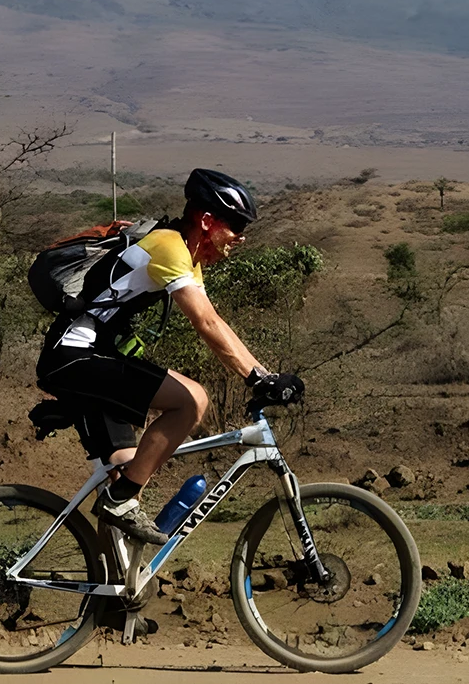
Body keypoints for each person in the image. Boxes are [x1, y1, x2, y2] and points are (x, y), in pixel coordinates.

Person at [35, 167, 304, 544]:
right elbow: (207, 323)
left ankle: (116, 588)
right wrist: (259, 377)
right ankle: (119, 501)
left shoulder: (187, 258)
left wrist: (262, 372)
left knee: (128, 473)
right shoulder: (168, 246)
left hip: (92, 358)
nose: (240, 239)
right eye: (236, 227)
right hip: (74, 355)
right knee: (192, 400)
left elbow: (217, 324)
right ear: (208, 220)